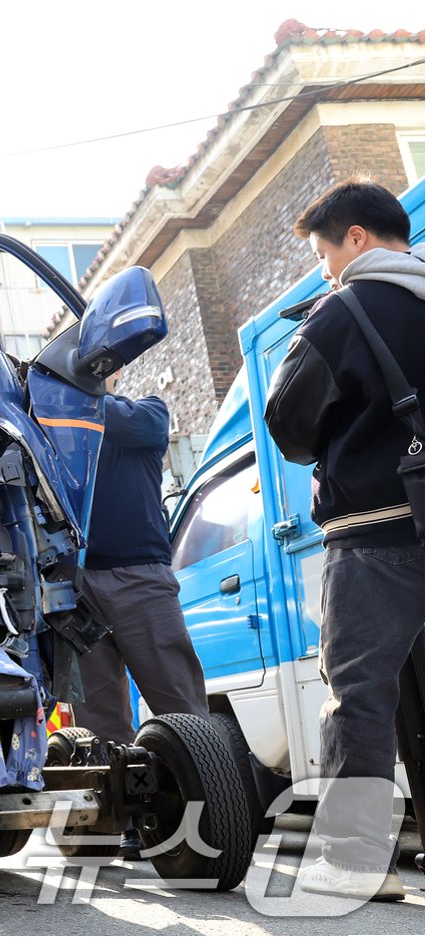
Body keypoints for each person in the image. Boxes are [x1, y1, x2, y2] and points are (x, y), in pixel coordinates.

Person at [264, 178, 424, 902]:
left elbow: (289, 422)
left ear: (355, 237)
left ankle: (357, 861)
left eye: (323, 253)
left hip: (374, 531)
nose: (324, 270)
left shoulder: (344, 309)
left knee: (359, 692)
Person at [78, 382, 211, 859]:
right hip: (76, 581)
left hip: (140, 574)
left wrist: (68, 390)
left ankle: (212, 822)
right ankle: (121, 826)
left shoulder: (147, 413)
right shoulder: (58, 425)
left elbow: (136, 424)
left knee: (179, 705)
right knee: (97, 718)